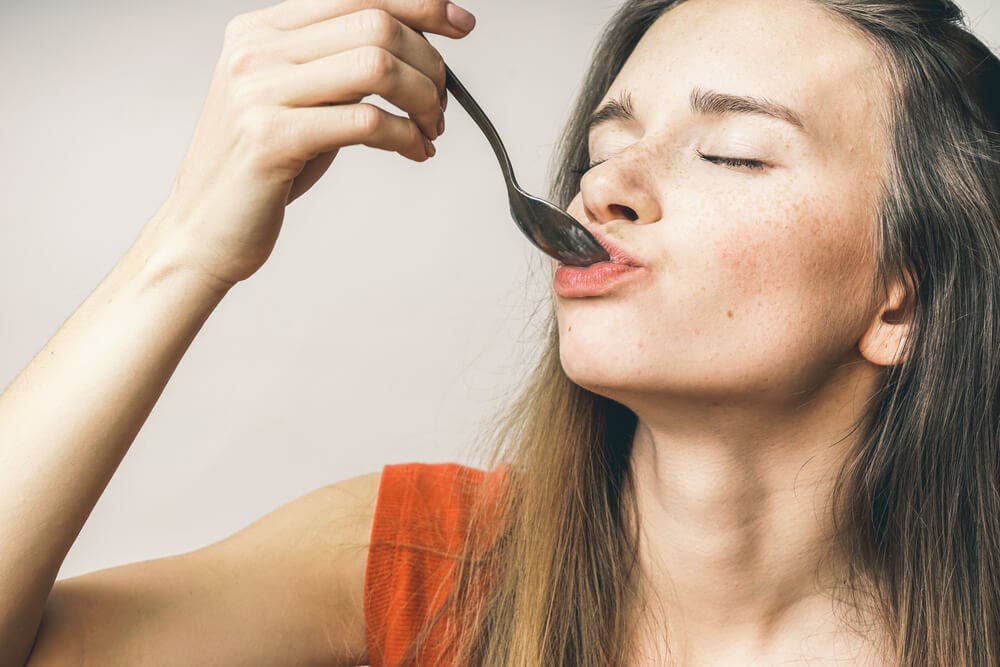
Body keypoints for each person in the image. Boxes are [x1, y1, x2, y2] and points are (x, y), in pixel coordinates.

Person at [2, 0, 999, 664]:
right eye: (604, 145)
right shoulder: (430, 563)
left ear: (900, 302)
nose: (605, 186)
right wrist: (187, 244)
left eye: (732, 153)